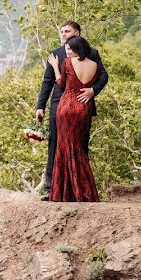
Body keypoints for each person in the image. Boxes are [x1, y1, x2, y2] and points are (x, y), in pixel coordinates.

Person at [35, 21, 108, 199]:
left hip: (82, 102)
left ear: (77, 32)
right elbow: (48, 81)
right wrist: (40, 105)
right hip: (58, 105)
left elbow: (104, 75)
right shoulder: (56, 53)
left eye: (67, 31)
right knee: (55, 145)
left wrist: (93, 90)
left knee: (80, 145)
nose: (63, 34)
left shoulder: (92, 53)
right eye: (61, 31)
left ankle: (78, 189)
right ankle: (52, 188)